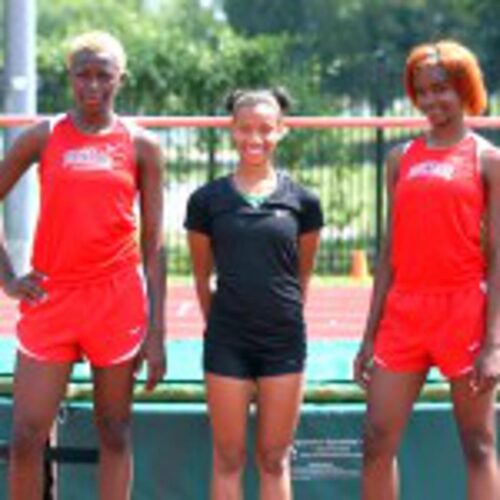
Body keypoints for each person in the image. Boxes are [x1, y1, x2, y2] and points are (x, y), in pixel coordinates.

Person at [4, 31, 166, 500]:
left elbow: (154, 245)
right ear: (69, 77)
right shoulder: (44, 136)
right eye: (84, 75)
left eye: (104, 75)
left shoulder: (142, 146)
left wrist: (155, 334)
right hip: (52, 299)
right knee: (26, 437)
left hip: (116, 302)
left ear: (121, 79)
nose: (93, 85)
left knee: (114, 433)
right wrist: (10, 279)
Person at [354, 40, 500, 500]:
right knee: (376, 441)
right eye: (422, 91)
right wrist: (369, 333)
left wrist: (494, 343)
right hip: (405, 311)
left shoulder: (488, 160)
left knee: (477, 444)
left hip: (464, 309)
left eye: (442, 89)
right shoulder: (401, 158)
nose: (432, 100)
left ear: (465, 89)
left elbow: (497, 256)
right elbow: (389, 251)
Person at [185, 88, 323, 500]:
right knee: (228, 458)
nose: (255, 138)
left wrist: (282, 319)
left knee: (274, 459)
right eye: (245, 129)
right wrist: (224, 323)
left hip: (283, 341)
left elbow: (302, 275)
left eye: (266, 129)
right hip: (228, 340)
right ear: (232, 130)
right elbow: (201, 276)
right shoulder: (206, 200)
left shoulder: (304, 201)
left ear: (282, 131)